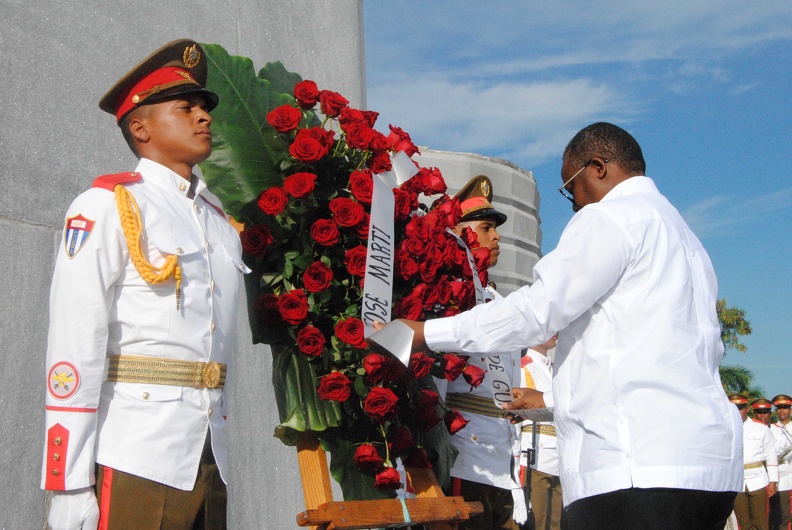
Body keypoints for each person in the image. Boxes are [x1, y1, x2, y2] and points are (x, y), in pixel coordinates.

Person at [376, 122, 743, 530]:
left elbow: (536, 312)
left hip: (637, 467)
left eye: (570, 187)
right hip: (709, 470)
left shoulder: (612, 218)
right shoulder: (685, 237)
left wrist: (424, 333)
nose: (572, 204)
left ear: (597, 167)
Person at [42, 39, 248, 530]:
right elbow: (75, 340)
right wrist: (67, 481)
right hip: (137, 450)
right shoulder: (109, 205)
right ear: (140, 127)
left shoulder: (218, 221)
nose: (204, 117)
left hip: (208, 450)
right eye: (186, 107)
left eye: (204, 107)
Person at [437, 175, 525, 530]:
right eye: (486, 227)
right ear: (457, 231)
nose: (497, 236)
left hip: (500, 455)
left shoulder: (498, 301)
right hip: (466, 452)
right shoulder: (447, 291)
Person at [519, 335, 561, 530]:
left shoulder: (555, 368)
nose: (556, 332)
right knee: (537, 520)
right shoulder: (524, 366)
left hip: (560, 456)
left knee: (556, 523)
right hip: (537, 455)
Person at [730, 395, 778, 530]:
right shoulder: (726, 428)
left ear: (747, 409)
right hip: (736, 480)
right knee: (743, 523)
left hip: (758, 479)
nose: (737, 411)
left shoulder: (760, 428)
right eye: (734, 408)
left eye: (740, 408)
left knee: (760, 522)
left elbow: (771, 456)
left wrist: (773, 481)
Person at [770, 394, 792, 530]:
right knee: (780, 515)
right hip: (780, 477)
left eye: (785, 407)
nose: (782, 410)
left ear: (790, 409)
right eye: (779, 408)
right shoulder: (770, 429)